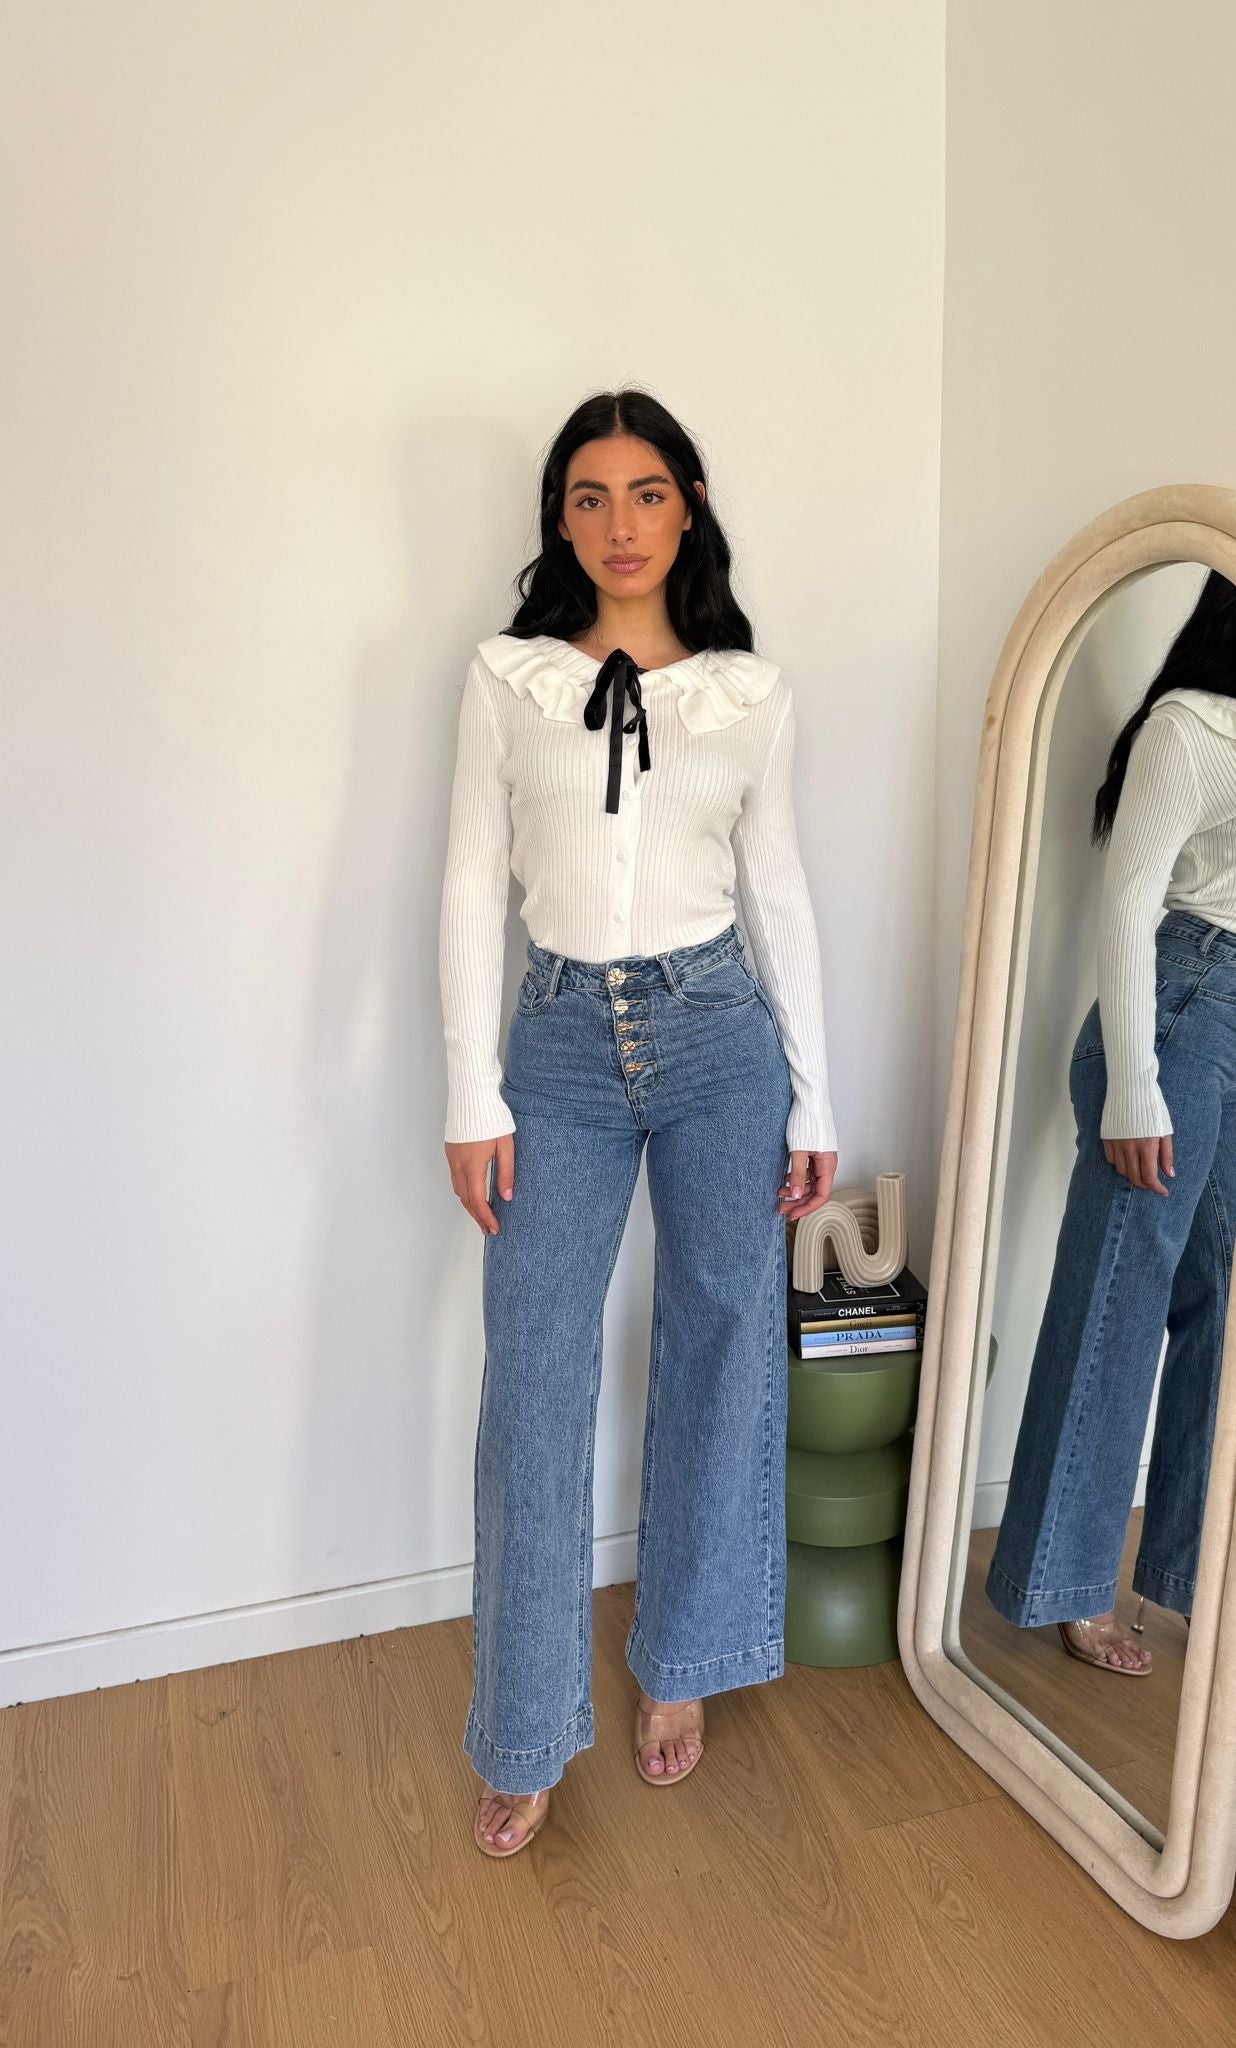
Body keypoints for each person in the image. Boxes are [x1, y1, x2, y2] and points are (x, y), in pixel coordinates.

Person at [438, 388, 838, 1854]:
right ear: (560, 516)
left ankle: (686, 1657)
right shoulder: (508, 680)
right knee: (535, 1378)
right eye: (592, 496)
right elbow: (468, 879)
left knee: (723, 1343)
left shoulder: (749, 694)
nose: (621, 524)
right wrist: (469, 1090)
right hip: (555, 1043)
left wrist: (818, 1090)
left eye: (648, 493)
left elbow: (778, 889)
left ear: (690, 507)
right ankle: (526, 1726)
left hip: (721, 1035)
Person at [986, 569, 1236, 1674]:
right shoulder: (1194, 725)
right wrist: (1135, 1084)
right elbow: (1130, 902)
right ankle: (1067, 1582)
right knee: (1116, 1305)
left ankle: (1187, 1573)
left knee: (1220, 1304)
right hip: (1178, 1010)